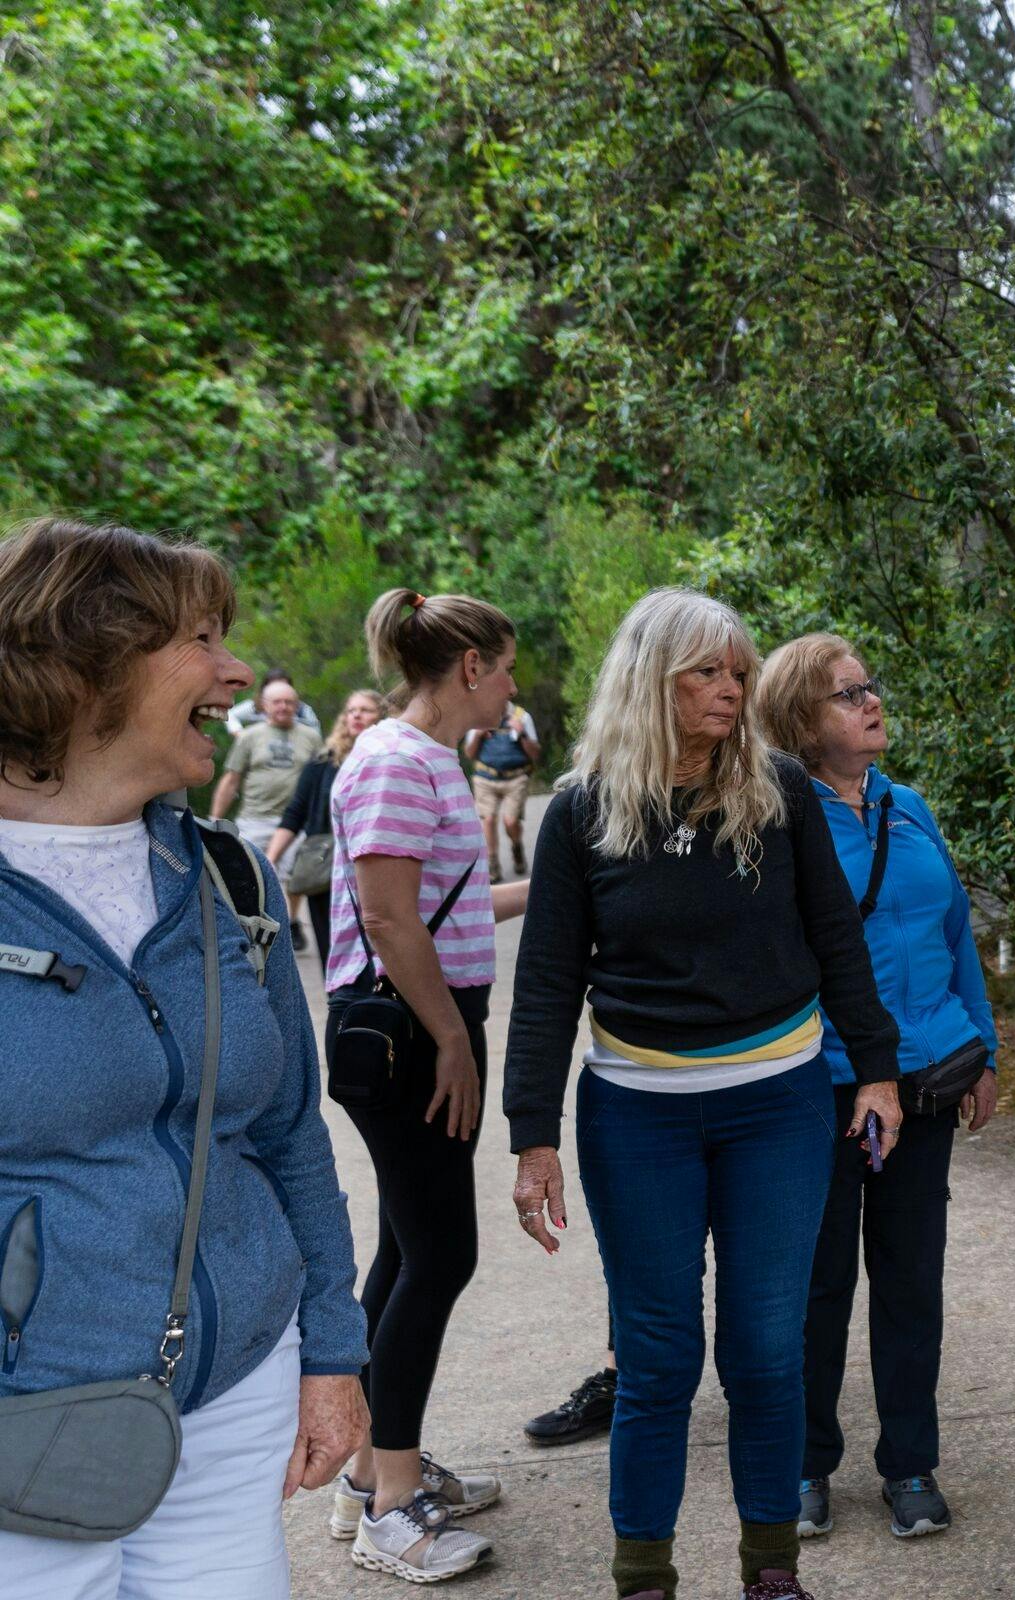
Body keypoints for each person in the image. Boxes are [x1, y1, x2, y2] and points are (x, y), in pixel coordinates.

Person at [504, 588, 904, 1600]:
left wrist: (877, 1069)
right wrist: (532, 1136)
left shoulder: (778, 788)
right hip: (638, 1115)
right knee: (657, 1357)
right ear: (653, 679)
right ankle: (644, 1575)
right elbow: (547, 980)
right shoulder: (584, 809)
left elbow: (836, 937)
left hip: (777, 1107)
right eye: (707, 673)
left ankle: (772, 1571)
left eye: (739, 672)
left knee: (766, 1353)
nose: (732, 689)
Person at [0, 517, 370, 1598]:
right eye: (200, 639)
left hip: (236, 1391)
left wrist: (332, 1350)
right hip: (27, 1421)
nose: (237, 672)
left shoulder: (228, 876)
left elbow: (290, 1133)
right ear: (83, 667)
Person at [757, 633, 999, 1543]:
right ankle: (804, 1465)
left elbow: (956, 933)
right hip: (822, 1091)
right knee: (817, 1289)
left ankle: (910, 1464)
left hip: (926, 1083)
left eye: (870, 687)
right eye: (847, 694)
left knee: (910, 1283)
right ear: (799, 719)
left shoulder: (909, 808)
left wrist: (984, 1049)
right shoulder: (779, 823)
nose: (871, 703)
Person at [322, 588, 532, 1583]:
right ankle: (391, 1510)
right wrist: (451, 1038)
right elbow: (387, 917)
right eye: (508, 667)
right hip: (409, 1032)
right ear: (470, 667)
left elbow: (446, 904)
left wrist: (557, 884)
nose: (513, 687)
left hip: (427, 1023)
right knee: (442, 1254)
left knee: (410, 1248)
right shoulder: (396, 760)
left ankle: (372, 1467)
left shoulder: (430, 762)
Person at [267, 689, 385, 971]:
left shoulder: (389, 759)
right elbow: (296, 813)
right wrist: (271, 858)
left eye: (365, 710)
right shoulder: (323, 761)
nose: (356, 715)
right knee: (331, 953)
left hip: (374, 867)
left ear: (382, 717)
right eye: (351, 710)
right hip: (325, 868)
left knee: (375, 950)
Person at [212, 676, 321, 857]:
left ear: (297, 705)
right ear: (265, 705)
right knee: (251, 871)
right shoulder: (249, 736)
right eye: (277, 702)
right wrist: (215, 820)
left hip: (297, 823)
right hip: (255, 820)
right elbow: (231, 780)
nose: (283, 707)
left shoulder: (312, 737)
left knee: (292, 875)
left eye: (288, 702)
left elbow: (320, 781)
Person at [463, 703, 541, 880]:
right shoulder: (477, 716)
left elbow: (535, 754)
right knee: (488, 819)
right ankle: (493, 865)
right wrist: (478, 734)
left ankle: (516, 846)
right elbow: (469, 753)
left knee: (510, 821)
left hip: (516, 778)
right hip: (485, 778)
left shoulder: (522, 716)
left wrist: (521, 733)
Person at [226, 668, 321, 735]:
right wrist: (240, 734)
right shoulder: (255, 706)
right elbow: (230, 714)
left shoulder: (302, 710)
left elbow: (315, 734)